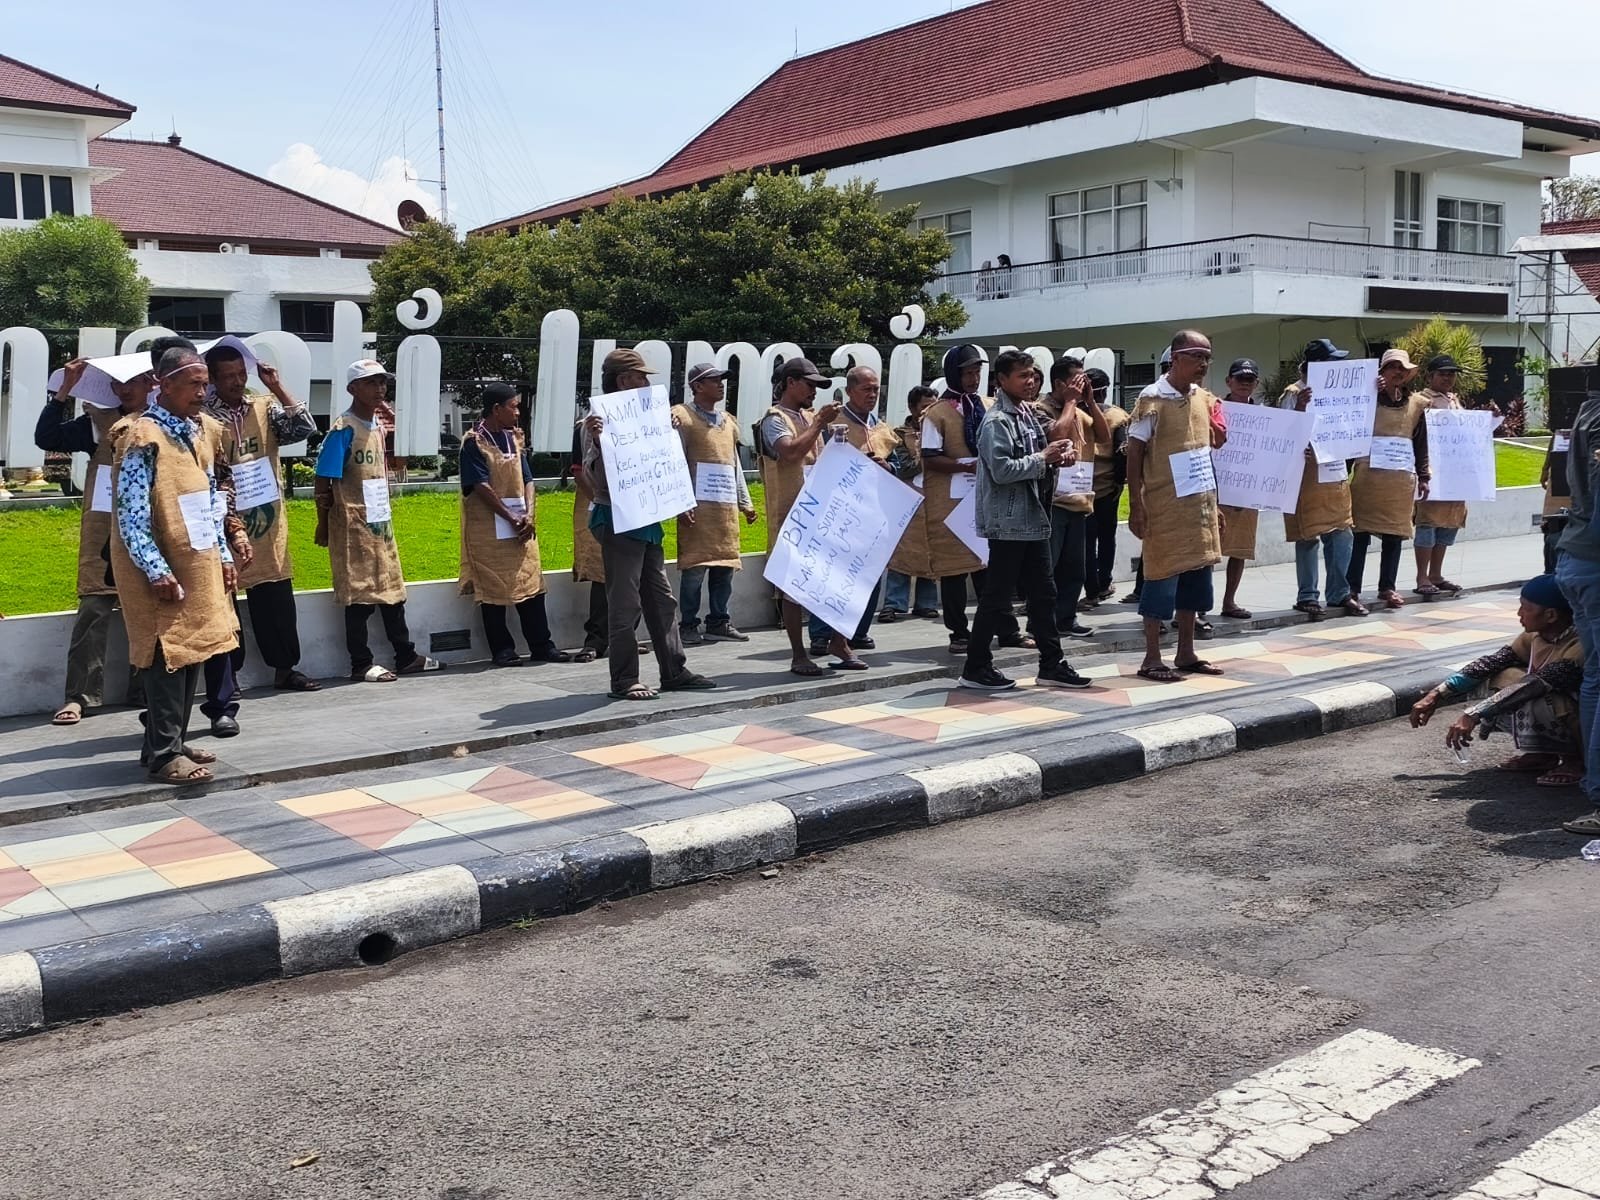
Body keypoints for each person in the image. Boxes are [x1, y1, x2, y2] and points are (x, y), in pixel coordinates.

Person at [110, 348, 238, 784]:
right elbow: (130, 512)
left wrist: (222, 555)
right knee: (167, 652)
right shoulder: (142, 435)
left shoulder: (195, 432)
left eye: (206, 384)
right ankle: (165, 755)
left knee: (193, 648)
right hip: (163, 567)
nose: (203, 391)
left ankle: (169, 742)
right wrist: (155, 568)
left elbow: (208, 503)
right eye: (194, 384)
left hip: (197, 561)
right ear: (164, 385)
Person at [582, 348, 716, 700]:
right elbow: (597, 479)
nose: (645, 383)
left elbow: (661, 467)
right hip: (617, 518)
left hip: (647, 519)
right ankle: (624, 679)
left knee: (661, 600)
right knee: (625, 602)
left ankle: (674, 669)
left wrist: (670, 436)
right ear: (624, 380)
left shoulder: (650, 417)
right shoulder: (596, 421)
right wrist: (599, 441)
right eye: (640, 377)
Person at [960, 350, 1090, 692]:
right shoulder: (997, 421)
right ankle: (976, 666)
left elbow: (1047, 445)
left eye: (1033, 375)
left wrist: (1056, 459)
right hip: (1009, 522)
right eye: (1022, 376)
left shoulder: (1026, 415)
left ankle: (1052, 663)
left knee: (1044, 593)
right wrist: (1042, 457)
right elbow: (1002, 471)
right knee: (997, 597)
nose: (1030, 381)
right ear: (1002, 381)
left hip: (1033, 519)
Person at [34, 356, 154, 727]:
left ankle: (147, 689)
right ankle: (78, 697)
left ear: (151, 381)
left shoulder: (166, 422)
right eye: (118, 383)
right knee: (93, 610)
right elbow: (47, 438)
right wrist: (63, 390)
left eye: (132, 380)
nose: (125, 389)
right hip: (104, 531)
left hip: (153, 530)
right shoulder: (96, 423)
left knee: (149, 612)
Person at [201, 343, 320, 692]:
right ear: (212, 378)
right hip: (225, 514)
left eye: (242, 374)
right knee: (225, 597)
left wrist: (277, 387)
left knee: (276, 594)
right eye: (228, 377)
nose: (238, 382)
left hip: (267, 518)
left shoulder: (263, 406)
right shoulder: (204, 416)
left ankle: (285, 668)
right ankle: (229, 675)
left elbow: (303, 428)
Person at [314, 359, 442, 682]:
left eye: (383, 382)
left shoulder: (378, 428)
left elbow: (390, 467)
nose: (380, 389)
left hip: (380, 522)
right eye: (371, 383)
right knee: (360, 594)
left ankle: (406, 654)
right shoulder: (344, 429)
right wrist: (322, 522)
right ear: (352, 389)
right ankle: (361, 663)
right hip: (353, 523)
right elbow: (323, 479)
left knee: (391, 589)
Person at [1409, 575, 1582, 789]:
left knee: (1541, 697)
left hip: (1582, 715)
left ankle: (1577, 760)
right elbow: (1492, 663)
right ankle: (1543, 754)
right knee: (1504, 675)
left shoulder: (1581, 642)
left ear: (1551, 615)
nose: (1519, 614)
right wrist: (1438, 694)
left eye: (1525, 608)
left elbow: (1535, 685)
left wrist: (1474, 714)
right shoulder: (1536, 636)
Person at [755, 355, 865, 675]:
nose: (814, 392)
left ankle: (837, 641)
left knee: (834, 579)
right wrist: (818, 423)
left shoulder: (806, 416)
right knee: (793, 588)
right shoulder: (773, 419)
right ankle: (798, 654)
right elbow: (789, 452)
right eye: (810, 384)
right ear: (790, 383)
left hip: (820, 512)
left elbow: (818, 458)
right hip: (792, 515)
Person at [1126, 331, 1226, 681]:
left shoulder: (1202, 398)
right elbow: (1135, 452)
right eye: (1197, 356)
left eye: (1207, 357)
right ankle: (1152, 657)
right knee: (1161, 577)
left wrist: (1216, 504)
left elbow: (1204, 451)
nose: (1203, 364)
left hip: (1198, 504)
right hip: (1164, 504)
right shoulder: (1152, 397)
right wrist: (1137, 505)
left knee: (1196, 580)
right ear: (1177, 357)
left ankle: (1186, 652)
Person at [458, 383, 571, 667]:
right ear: (496, 409)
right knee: (493, 588)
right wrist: (511, 516)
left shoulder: (515, 439)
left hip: (522, 526)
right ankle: (502, 649)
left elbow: (529, 480)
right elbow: (480, 485)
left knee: (531, 582)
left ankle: (542, 645)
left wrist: (529, 515)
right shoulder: (474, 442)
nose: (517, 412)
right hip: (489, 528)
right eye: (513, 406)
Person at [924, 345, 1024, 654]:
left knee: (992, 568)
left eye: (977, 372)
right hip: (950, 501)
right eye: (967, 372)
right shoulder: (936, 413)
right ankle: (958, 633)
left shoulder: (990, 405)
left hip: (985, 498)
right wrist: (966, 464)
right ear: (953, 373)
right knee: (954, 571)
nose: (973, 378)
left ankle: (1006, 630)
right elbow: (929, 458)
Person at [806, 365, 897, 657]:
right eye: (866, 389)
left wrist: (889, 467)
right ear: (850, 391)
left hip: (874, 511)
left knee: (869, 572)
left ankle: (858, 631)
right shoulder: (834, 424)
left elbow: (906, 463)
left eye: (876, 389)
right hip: (838, 510)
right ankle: (821, 635)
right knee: (831, 573)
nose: (872, 395)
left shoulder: (882, 427)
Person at [1280, 338, 1368, 620]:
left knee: (1342, 534)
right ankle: (1307, 595)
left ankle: (1340, 593)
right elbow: (1282, 435)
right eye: (1330, 363)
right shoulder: (1292, 394)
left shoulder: (1341, 390)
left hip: (1335, 472)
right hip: (1306, 476)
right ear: (1314, 366)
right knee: (1308, 536)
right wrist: (1300, 410)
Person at [673, 362, 756, 646]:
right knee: (695, 569)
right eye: (714, 380)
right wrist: (680, 503)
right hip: (697, 509)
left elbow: (733, 465)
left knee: (725, 567)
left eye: (722, 380)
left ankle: (719, 621)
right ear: (697, 386)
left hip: (725, 510)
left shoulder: (728, 421)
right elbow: (675, 462)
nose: (721, 384)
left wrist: (745, 502)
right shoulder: (681, 417)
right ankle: (688, 625)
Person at [1348, 349, 1429, 610]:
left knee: (1394, 536)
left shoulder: (1417, 404)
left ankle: (1387, 587)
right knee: (1359, 535)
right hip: (1368, 478)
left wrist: (1425, 475)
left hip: (1400, 481)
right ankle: (1352, 587)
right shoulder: (1366, 398)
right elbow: (1350, 426)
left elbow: (1421, 443)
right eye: (1392, 366)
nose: (1397, 372)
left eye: (1402, 368)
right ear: (1382, 371)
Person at [1038, 357, 1109, 637]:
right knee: (1049, 568)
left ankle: (1066, 618)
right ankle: (1042, 621)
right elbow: (1056, 433)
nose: (1083, 385)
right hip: (1053, 501)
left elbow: (1104, 437)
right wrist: (1070, 402)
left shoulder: (1081, 411)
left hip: (1079, 498)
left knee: (1075, 568)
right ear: (1059, 383)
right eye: (1077, 380)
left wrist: (1090, 402)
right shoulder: (1040, 409)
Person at [882, 385, 941, 622]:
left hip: (934, 499)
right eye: (925, 407)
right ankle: (894, 603)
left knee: (931, 552)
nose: (930, 413)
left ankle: (926, 603)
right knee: (901, 553)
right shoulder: (897, 434)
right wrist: (927, 456)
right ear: (912, 408)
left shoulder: (941, 432)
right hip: (906, 502)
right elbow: (902, 468)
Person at [1413, 354, 1469, 596]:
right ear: (1430, 376)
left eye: (1451, 373)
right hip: (1432, 472)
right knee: (1427, 524)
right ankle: (1422, 576)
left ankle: (1436, 574)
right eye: (1442, 373)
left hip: (1456, 473)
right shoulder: (1421, 400)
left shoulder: (1456, 400)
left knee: (1449, 523)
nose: (1447, 378)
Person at [1216, 358, 1263, 619]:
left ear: (1256, 384)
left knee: (1240, 550)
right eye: (1239, 379)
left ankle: (1229, 601)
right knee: (1209, 552)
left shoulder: (1265, 417)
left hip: (1248, 491)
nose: (1244, 384)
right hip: (1218, 490)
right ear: (1228, 381)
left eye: (1250, 380)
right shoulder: (1215, 409)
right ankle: (1197, 607)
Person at [1081, 367, 1127, 608]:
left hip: (1082, 489)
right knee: (1106, 538)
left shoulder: (1077, 413)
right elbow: (1122, 454)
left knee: (1088, 541)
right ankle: (1102, 582)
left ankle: (1092, 589)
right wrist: (1120, 482)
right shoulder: (1118, 416)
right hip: (1108, 488)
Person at [569, 409, 610, 663]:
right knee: (601, 572)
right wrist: (597, 499)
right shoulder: (585, 426)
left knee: (635, 575)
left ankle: (623, 637)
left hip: (633, 508)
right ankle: (595, 640)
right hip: (599, 505)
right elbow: (578, 470)